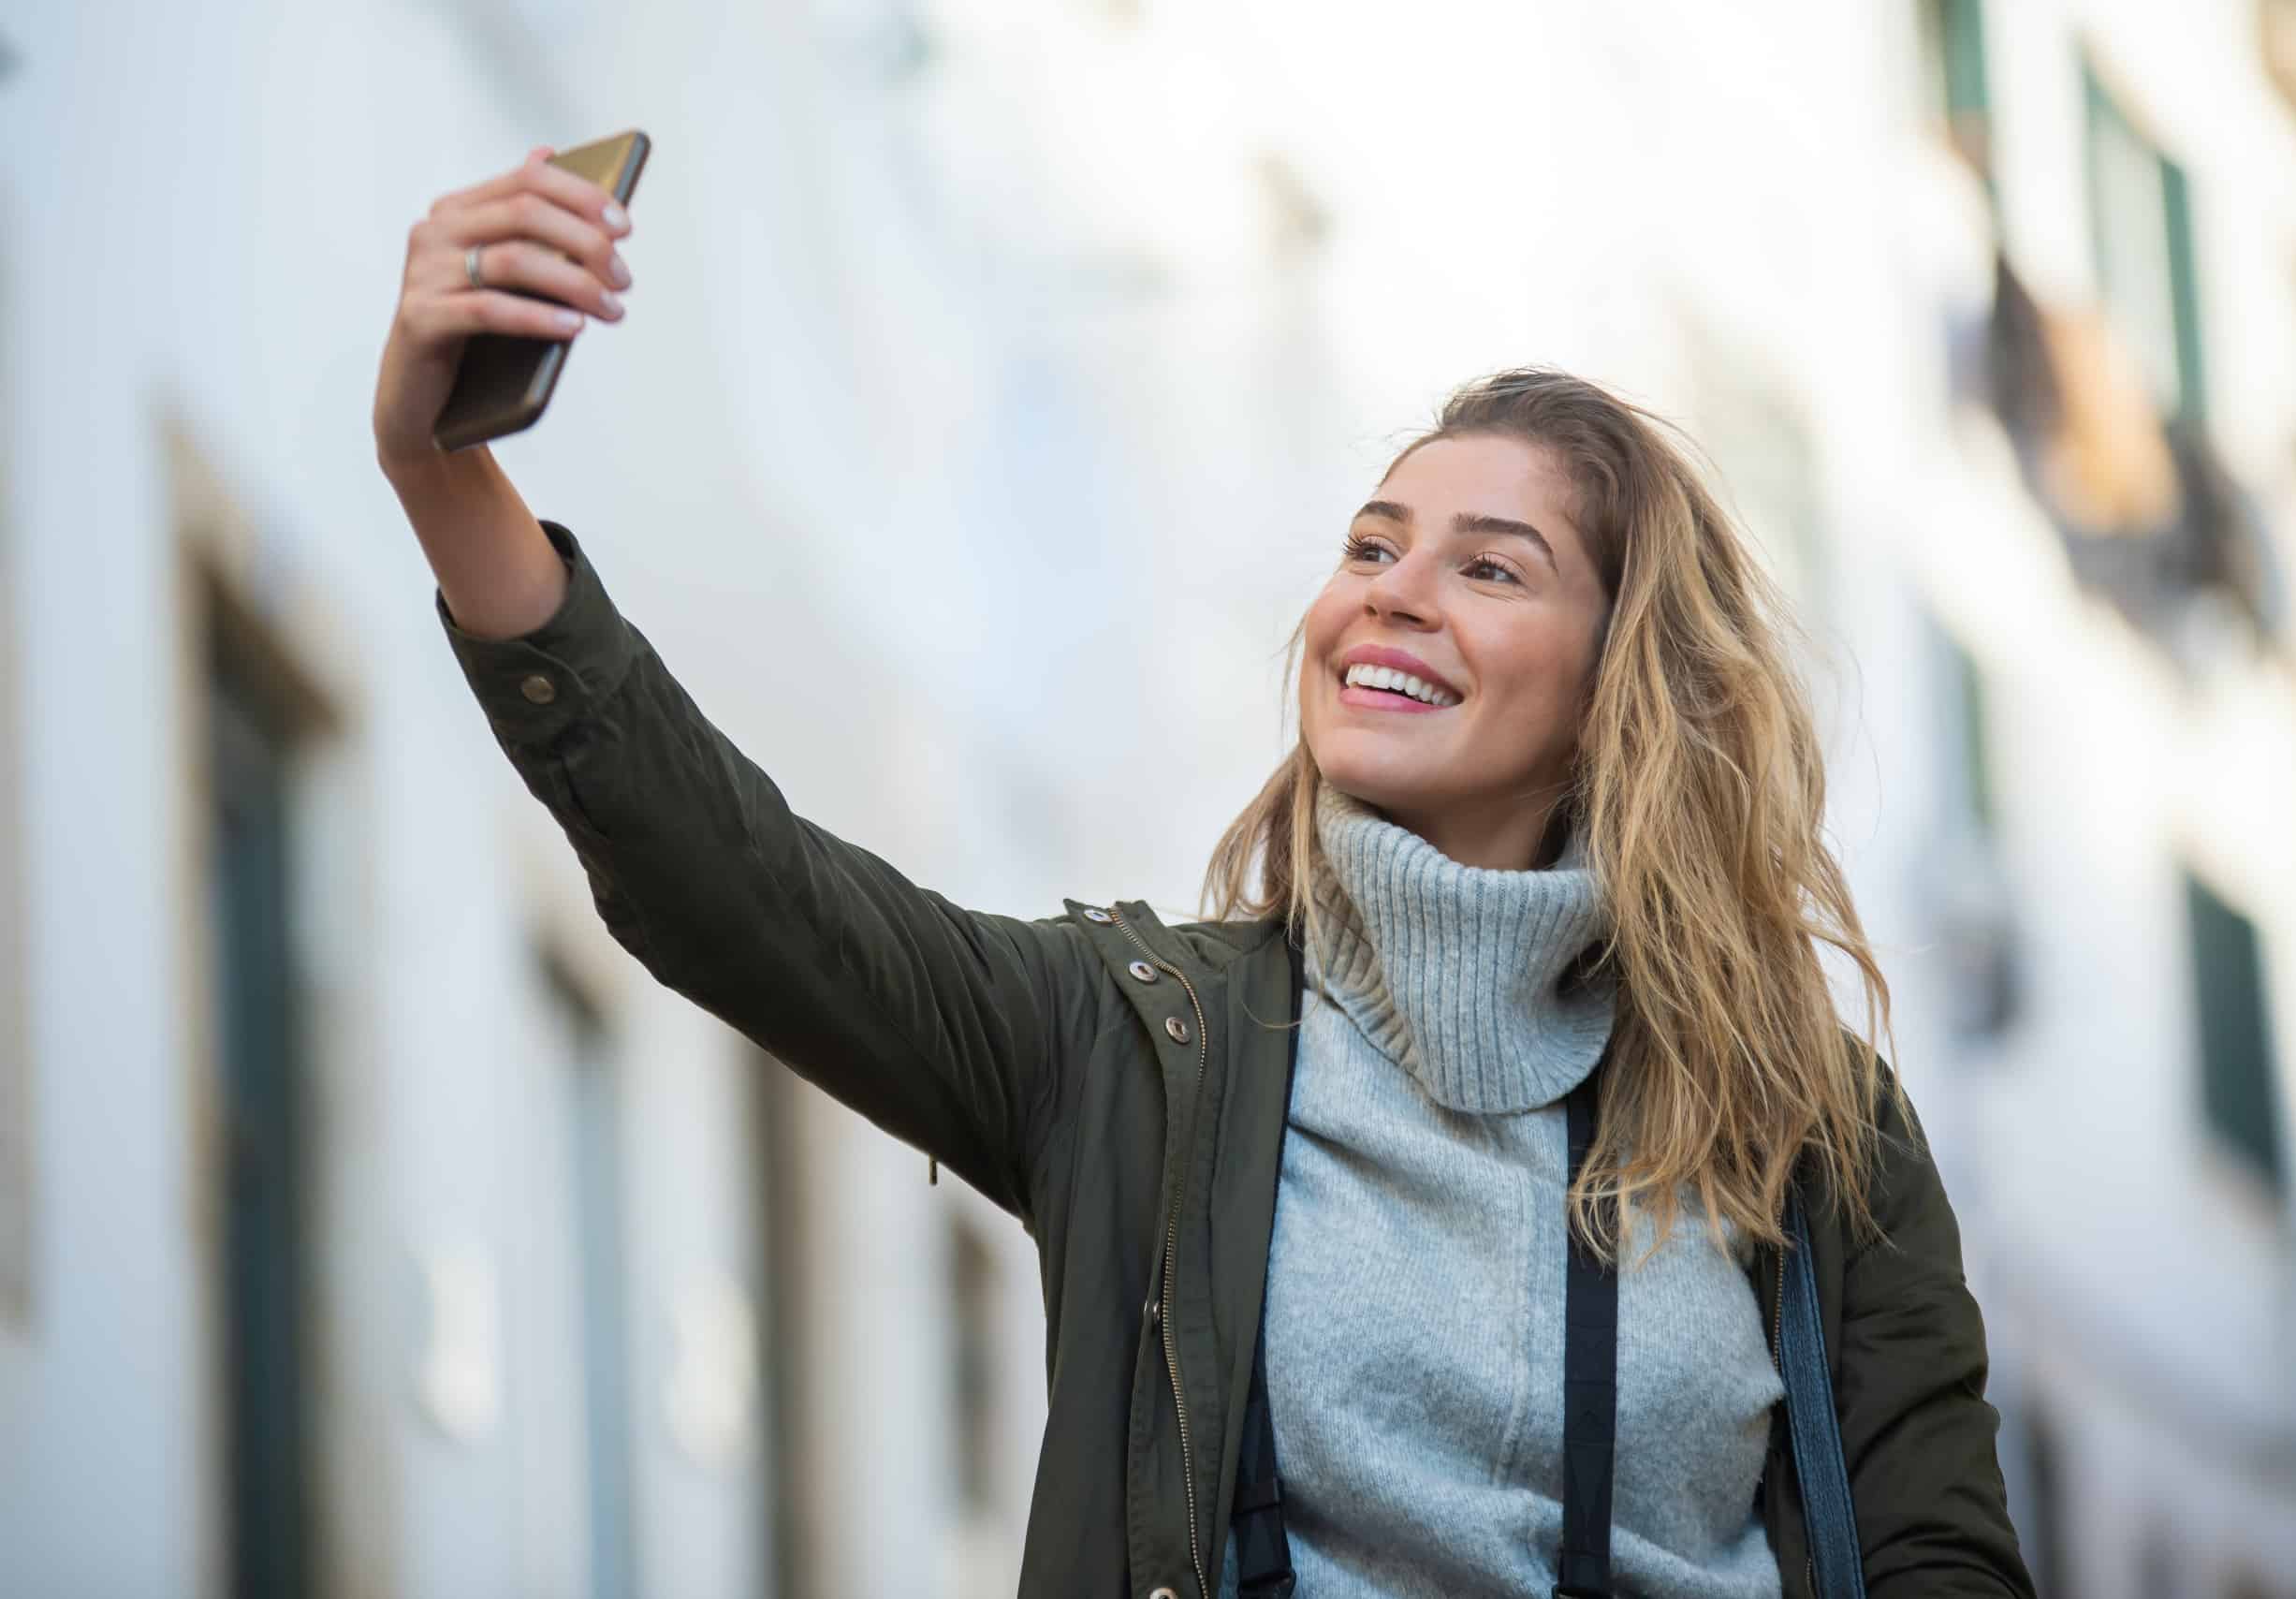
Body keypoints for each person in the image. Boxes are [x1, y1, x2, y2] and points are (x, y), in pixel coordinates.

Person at [373, 148, 2035, 1599]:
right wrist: (445, 471)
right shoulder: (1143, 1048)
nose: (1391, 592)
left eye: (1489, 568)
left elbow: (1941, 1563)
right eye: (1372, 546)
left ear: (1619, 691)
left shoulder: (1806, 1128)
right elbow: (736, 887)